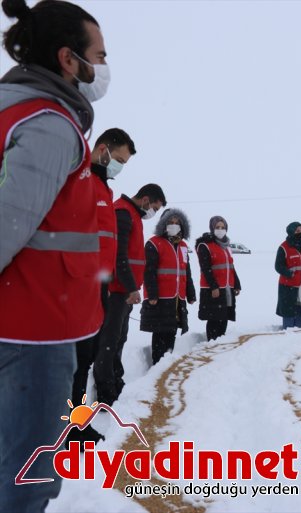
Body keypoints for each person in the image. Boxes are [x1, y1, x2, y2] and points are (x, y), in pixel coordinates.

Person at [0, 1, 107, 510]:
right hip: (32, 331)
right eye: (99, 55)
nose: (104, 68)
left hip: (22, 321)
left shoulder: (17, 110)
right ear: (69, 60)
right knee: (28, 472)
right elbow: (8, 224)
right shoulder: (48, 123)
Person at [68, 128, 136, 447]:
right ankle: (67, 427)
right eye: (118, 159)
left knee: (86, 357)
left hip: (97, 289)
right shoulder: (79, 180)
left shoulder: (103, 189)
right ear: (102, 149)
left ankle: (76, 424)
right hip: (75, 287)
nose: (118, 166)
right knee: (76, 360)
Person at [93, 184, 166, 404]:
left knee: (119, 338)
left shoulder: (132, 214)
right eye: (154, 207)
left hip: (124, 291)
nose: (153, 212)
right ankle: (105, 394)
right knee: (109, 340)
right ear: (145, 200)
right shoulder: (123, 213)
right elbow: (119, 256)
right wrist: (131, 287)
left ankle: (116, 380)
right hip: (117, 291)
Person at [140, 209, 196, 364]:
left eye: (177, 223)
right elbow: (149, 271)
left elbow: (186, 271)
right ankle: (157, 366)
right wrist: (152, 294)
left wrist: (190, 293)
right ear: (163, 224)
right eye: (170, 222)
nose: (174, 225)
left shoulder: (183, 246)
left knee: (172, 331)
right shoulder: (154, 243)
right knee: (160, 332)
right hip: (160, 298)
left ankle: (167, 364)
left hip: (178, 298)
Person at [196, 216, 241, 341]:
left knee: (224, 316)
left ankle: (220, 344)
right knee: (214, 318)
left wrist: (236, 284)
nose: (220, 230)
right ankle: (212, 344)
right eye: (217, 227)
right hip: (213, 289)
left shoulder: (227, 247)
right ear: (212, 228)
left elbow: (231, 267)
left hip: (227, 288)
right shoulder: (205, 245)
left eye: (223, 227)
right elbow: (206, 268)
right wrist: (214, 286)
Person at [275, 222, 301, 329]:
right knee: (288, 310)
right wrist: (290, 274)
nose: (300, 233)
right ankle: (288, 329)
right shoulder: (283, 247)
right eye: (297, 230)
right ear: (291, 231)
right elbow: (278, 266)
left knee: (300, 309)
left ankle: (298, 329)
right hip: (288, 286)